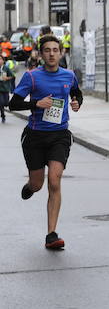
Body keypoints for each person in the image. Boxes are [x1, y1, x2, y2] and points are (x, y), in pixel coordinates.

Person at [8, 34, 83, 249]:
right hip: (35, 137)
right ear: (41, 54)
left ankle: (51, 235)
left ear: (61, 53)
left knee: (55, 181)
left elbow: (77, 94)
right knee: (39, 184)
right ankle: (30, 187)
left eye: (55, 50)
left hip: (59, 136)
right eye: (47, 50)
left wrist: (77, 103)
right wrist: (35, 104)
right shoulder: (32, 77)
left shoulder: (69, 76)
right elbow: (13, 104)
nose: (51, 54)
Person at [0, 54, 15, 122]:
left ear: (3, 60)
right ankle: (3, 115)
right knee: (1, 102)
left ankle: (4, 107)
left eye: (0, 59)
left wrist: (7, 78)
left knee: (5, 102)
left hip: (5, 88)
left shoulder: (6, 68)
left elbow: (12, 76)